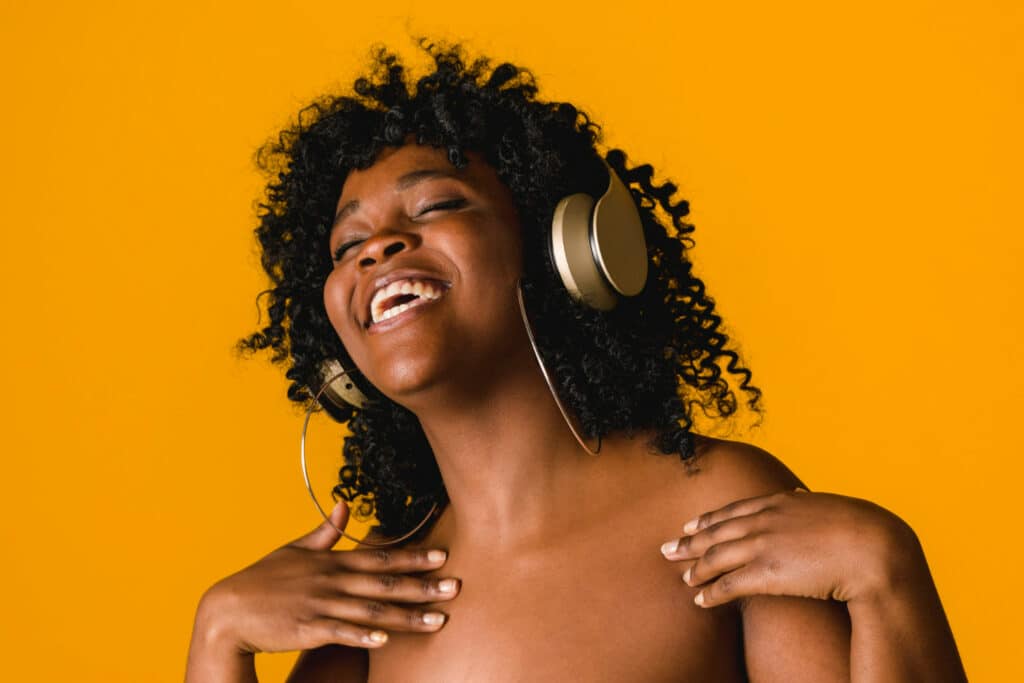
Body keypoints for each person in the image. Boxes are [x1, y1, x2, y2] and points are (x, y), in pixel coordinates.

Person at [186, 39, 966, 682]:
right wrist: (218, 638)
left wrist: (888, 574)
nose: (380, 248)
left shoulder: (722, 509)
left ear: (567, 253)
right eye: (347, 245)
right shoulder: (362, 612)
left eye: (437, 206)